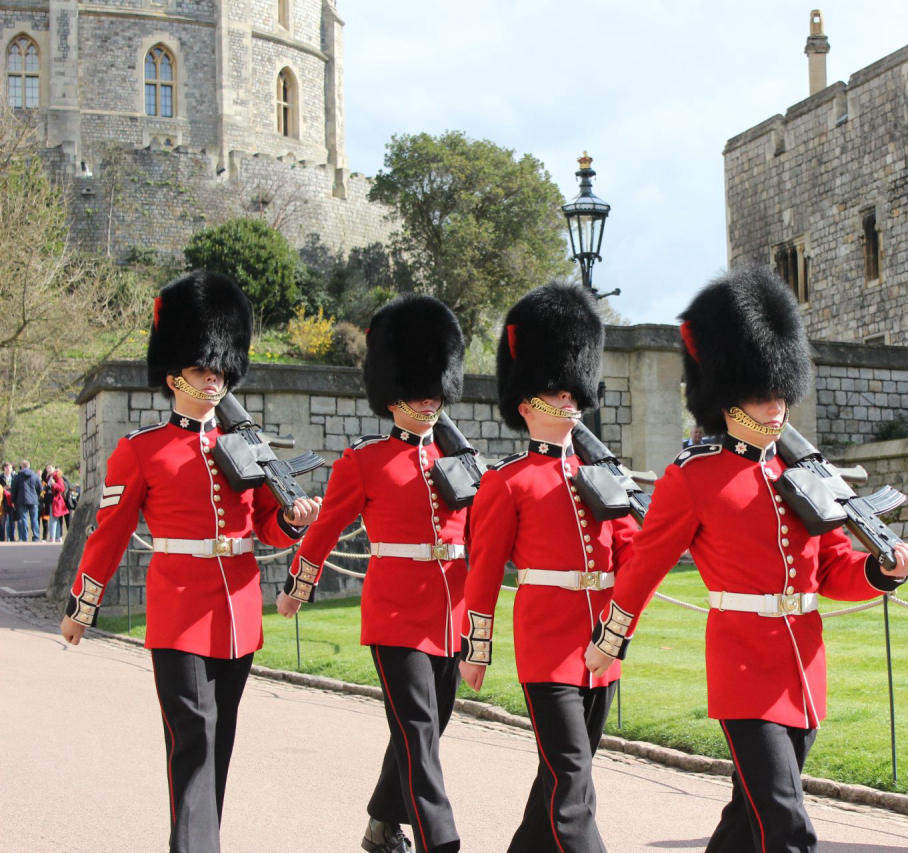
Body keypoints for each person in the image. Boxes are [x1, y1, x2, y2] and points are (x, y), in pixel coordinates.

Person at [584, 266, 908, 853]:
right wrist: (611, 638)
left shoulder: (804, 475)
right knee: (788, 826)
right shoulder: (693, 479)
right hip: (742, 668)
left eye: (781, 395)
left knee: (748, 821)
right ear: (729, 395)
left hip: (803, 666)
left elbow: (832, 568)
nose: (776, 408)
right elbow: (643, 567)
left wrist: (881, 571)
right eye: (764, 396)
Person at [59, 270, 321, 853]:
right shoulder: (141, 450)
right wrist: (85, 605)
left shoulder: (245, 447)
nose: (214, 379)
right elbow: (109, 533)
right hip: (178, 613)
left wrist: (292, 521)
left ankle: (203, 839)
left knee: (218, 741)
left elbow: (263, 529)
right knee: (193, 739)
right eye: (205, 370)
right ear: (175, 375)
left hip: (238, 612)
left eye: (220, 370)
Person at [278, 294, 470, 853]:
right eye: (417, 391)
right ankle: (442, 841)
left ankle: (382, 824)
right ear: (393, 398)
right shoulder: (363, 460)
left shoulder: (458, 460)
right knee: (415, 733)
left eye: (434, 389)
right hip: (394, 616)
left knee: (427, 731)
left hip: (450, 614)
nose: (429, 400)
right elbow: (326, 527)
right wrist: (299, 583)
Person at [461, 282, 639, 853]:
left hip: (601, 644)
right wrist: (476, 649)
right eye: (556, 394)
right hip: (547, 643)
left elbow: (636, 551)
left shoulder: (603, 474)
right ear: (526, 404)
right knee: (573, 779)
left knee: (557, 779)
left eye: (572, 394)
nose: (568, 402)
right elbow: (484, 570)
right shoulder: (505, 481)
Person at [10, 460, 40, 541]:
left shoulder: (18, 476)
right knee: (34, 519)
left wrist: (12, 500)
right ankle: (36, 537)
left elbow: (14, 490)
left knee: (24, 519)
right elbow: (40, 488)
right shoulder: (35, 476)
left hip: (21, 500)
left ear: (22, 467)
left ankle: (24, 537)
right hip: (33, 500)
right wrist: (37, 497)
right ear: (29, 466)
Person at [47, 467, 69, 542]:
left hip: (56, 501)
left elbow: (62, 489)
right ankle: (57, 537)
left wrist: (54, 484)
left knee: (53, 519)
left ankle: (53, 537)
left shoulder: (57, 479)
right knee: (56, 519)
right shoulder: (55, 478)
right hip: (56, 501)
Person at [1, 462, 14, 542]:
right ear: (4, 469)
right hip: (3, 501)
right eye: (6, 468)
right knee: (3, 521)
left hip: (12, 501)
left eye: (9, 467)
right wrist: (3, 488)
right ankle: (2, 538)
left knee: (12, 521)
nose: (8, 469)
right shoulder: (0, 477)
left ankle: (11, 537)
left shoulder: (14, 477)